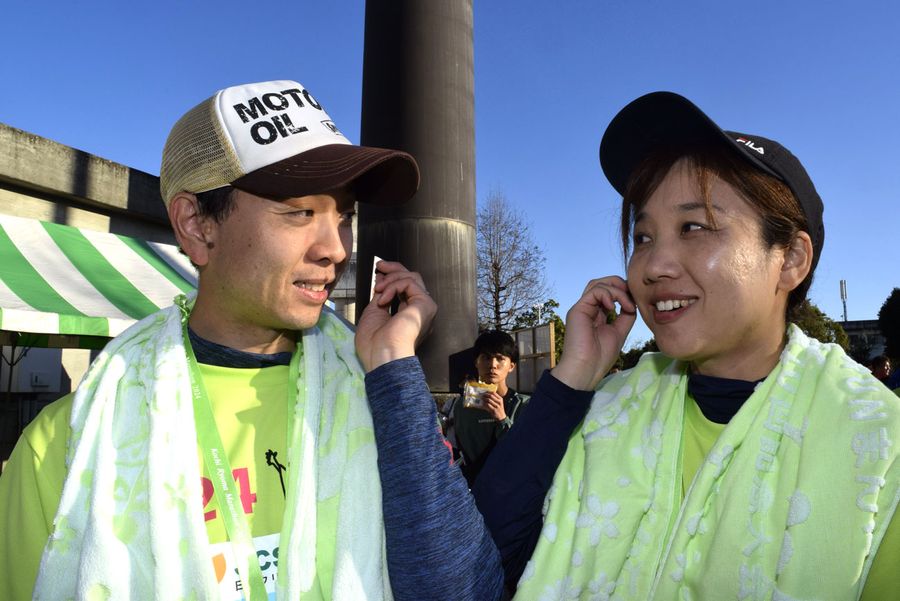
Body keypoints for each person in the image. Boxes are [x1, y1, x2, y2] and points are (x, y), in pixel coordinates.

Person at [0, 80, 502, 601]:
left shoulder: (379, 399)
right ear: (196, 225)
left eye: (344, 216)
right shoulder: (67, 446)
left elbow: (466, 589)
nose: (335, 248)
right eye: (299, 211)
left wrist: (393, 368)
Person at [472, 92, 900, 599]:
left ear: (789, 259)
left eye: (693, 227)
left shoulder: (878, 443)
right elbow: (478, 566)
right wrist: (573, 380)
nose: (653, 267)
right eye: (644, 237)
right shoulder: (607, 408)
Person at [444, 330, 530, 485]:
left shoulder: (524, 405)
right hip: (471, 490)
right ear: (476, 362)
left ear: (511, 366)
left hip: (511, 489)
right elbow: (450, 452)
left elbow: (527, 454)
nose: (492, 365)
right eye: (486, 357)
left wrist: (502, 419)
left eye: (500, 358)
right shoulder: (456, 406)